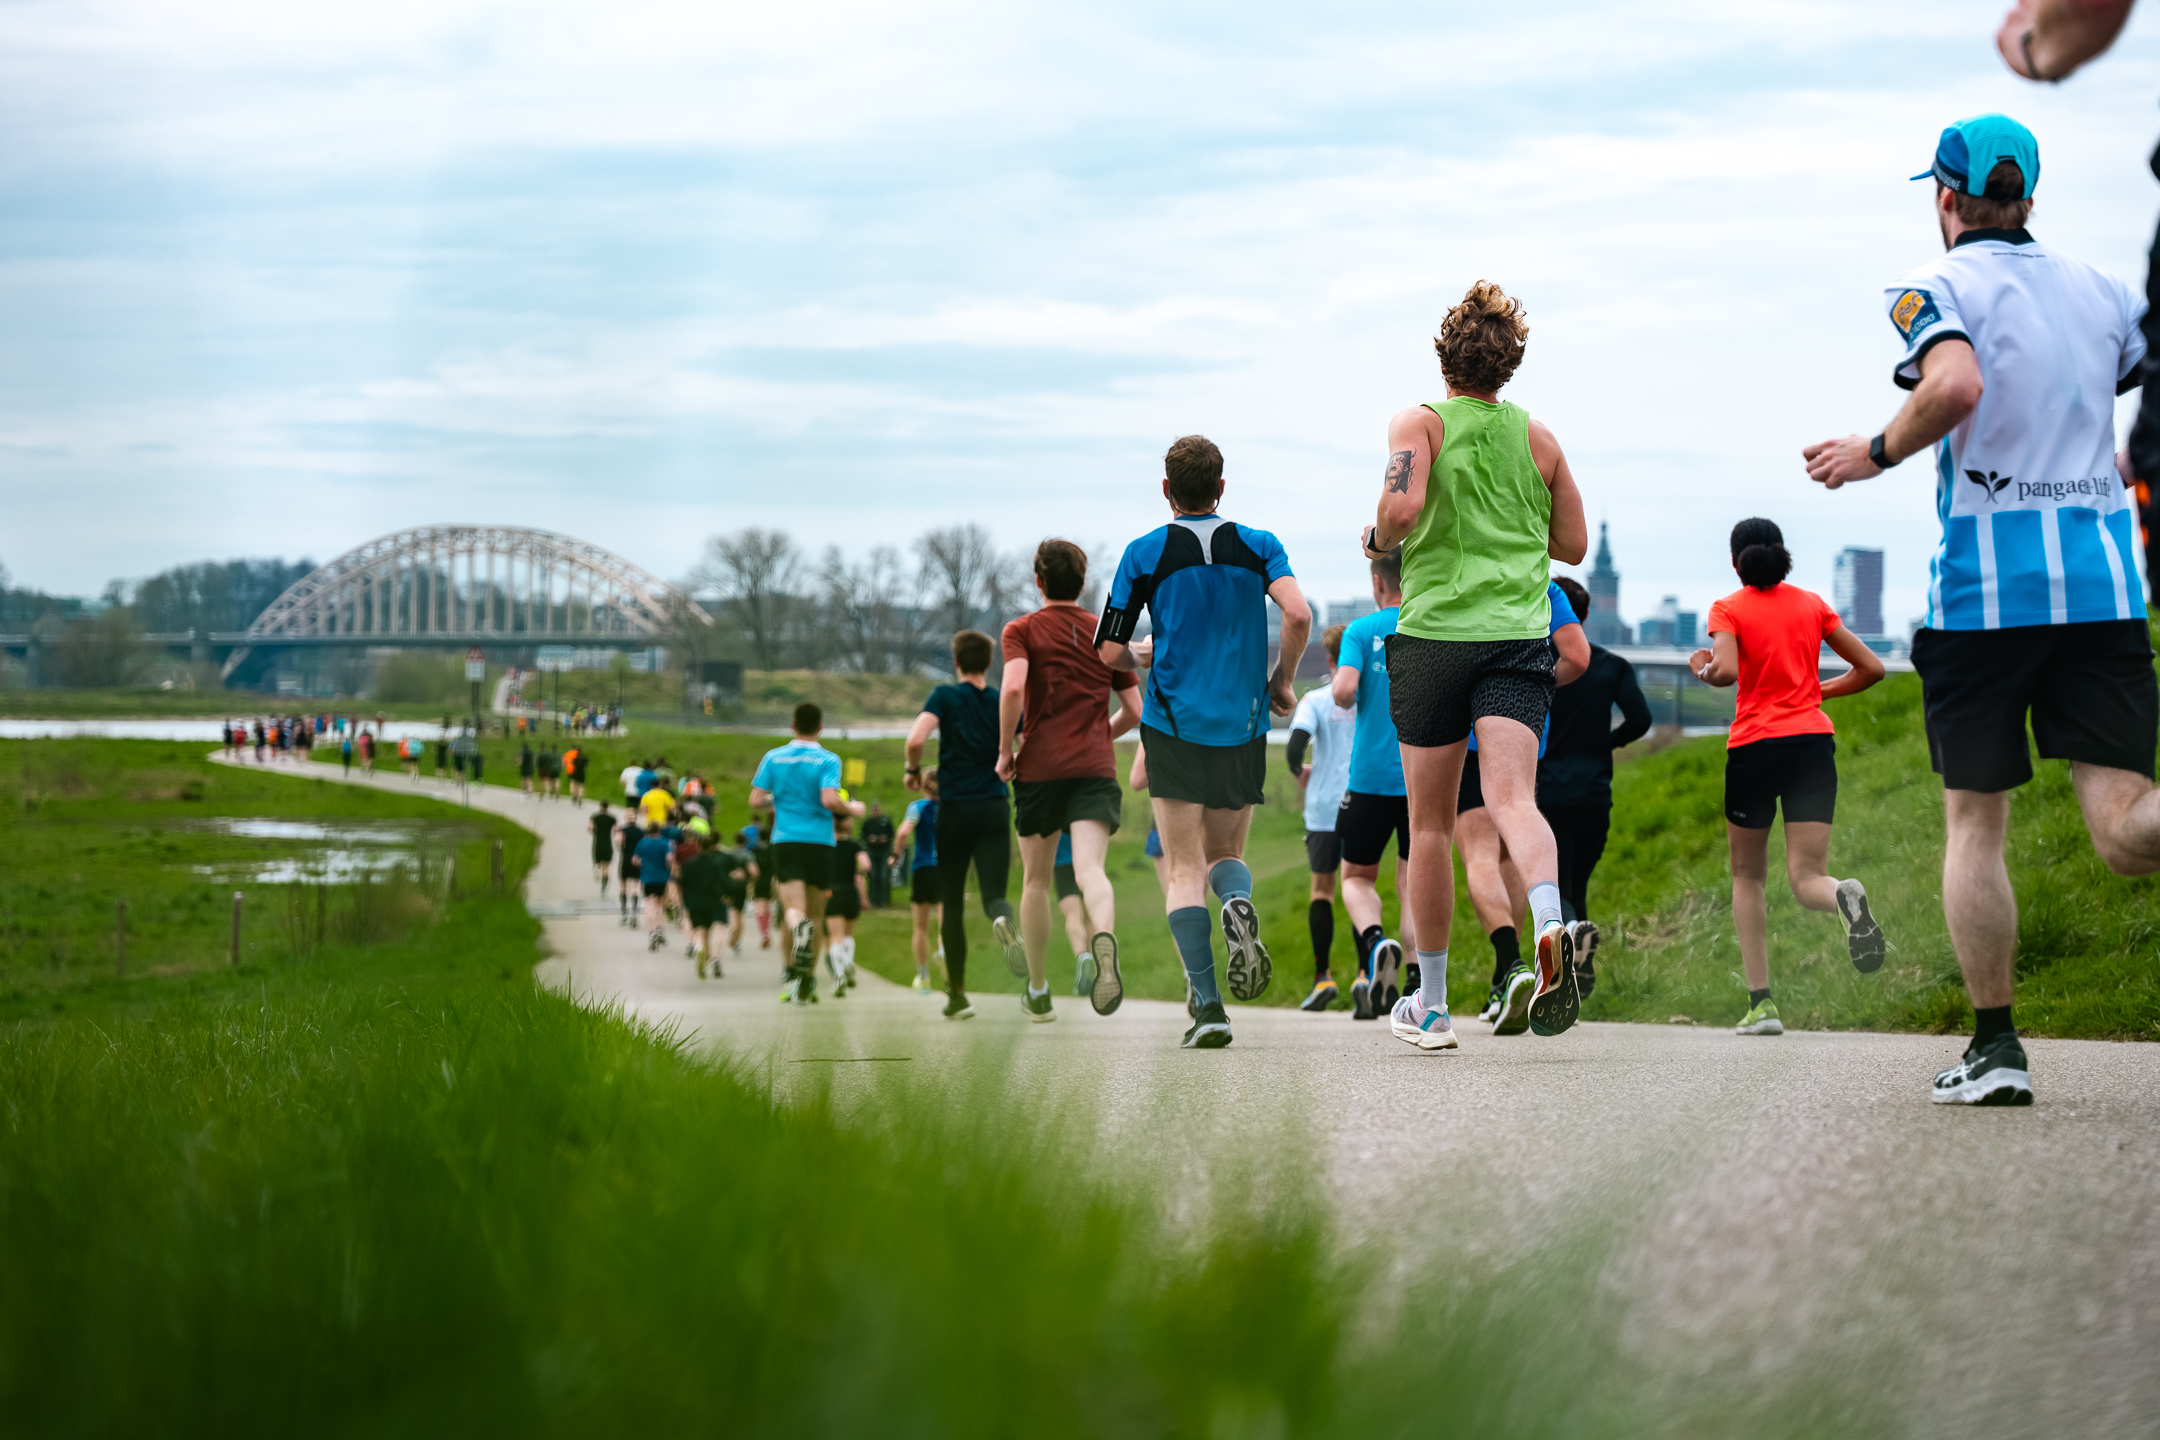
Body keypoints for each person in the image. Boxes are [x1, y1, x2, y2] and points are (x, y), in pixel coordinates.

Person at [1803, 113, 2160, 1104]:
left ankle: (1996, 1049)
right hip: (2104, 589)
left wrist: (1871, 451)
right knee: (2127, 829)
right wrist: (2132, 466)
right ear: (2032, 199)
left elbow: (1954, 381)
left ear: (1948, 198)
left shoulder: (1933, 284)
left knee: (1976, 822)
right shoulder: (2107, 295)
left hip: (1985, 600)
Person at [1364, 280, 1589, 1054]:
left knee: (1428, 826)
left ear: (1444, 355)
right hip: (1519, 637)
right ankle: (1552, 921)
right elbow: (1573, 546)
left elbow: (1398, 513)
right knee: (1512, 801)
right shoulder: (1540, 440)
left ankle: (1429, 1007)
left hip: (1433, 639)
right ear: (1511, 363)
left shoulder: (1418, 422)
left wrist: (1377, 542)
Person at [1096, 433, 1311, 1049]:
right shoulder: (1260, 545)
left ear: (1167, 490)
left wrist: (1143, 653)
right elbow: (1297, 614)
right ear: (1222, 488)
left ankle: (1209, 1007)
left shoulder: (1143, 553)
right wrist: (1281, 682)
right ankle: (1237, 904)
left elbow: (1109, 650)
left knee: (1184, 868)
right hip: (1242, 726)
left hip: (1172, 727)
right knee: (1224, 859)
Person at [1688, 520, 1890, 1035]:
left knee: (1748, 877)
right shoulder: (1812, 604)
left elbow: (1727, 671)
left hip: (1755, 747)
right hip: (1811, 746)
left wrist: (1703, 668)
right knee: (1807, 878)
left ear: (1737, 561)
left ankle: (1762, 1005)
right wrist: (1817, 693)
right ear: (1781, 553)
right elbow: (1871, 668)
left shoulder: (1728, 609)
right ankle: (1843, 891)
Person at [999, 537, 1144, 1022]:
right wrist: (1098, 734)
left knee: (1037, 882)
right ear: (1082, 584)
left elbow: (1015, 687)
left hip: (1039, 770)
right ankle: (1103, 938)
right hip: (1093, 768)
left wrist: (1006, 751)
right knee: (1091, 872)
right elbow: (1135, 711)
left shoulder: (1021, 630)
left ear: (1038, 581)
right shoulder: (1106, 634)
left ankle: (1039, 990)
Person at [1457, 578, 1589, 1030]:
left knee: (1479, 855)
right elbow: (1577, 655)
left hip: (1465, 735)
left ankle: (1510, 963)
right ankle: (1544, 931)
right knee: (1517, 828)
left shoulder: (1453, 574)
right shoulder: (1542, 583)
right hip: (1522, 723)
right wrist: (1534, 683)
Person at [1535, 577, 1653, 995]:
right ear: (1584, 615)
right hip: (1594, 793)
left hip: (1546, 792)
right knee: (1577, 881)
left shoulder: (1536, 666)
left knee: (1558, 883)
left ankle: (1569, 937)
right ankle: (1579, 973)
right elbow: (1640, 719)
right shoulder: (1612, 665)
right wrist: (1608, 742)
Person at [906, 630, 1023, 1021]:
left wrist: (912, 771)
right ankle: (1004, 920)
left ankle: (957, 995)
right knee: (993, 894)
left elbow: (916, 739)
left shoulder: (944, 697)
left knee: (952, 904)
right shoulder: (1000, 702)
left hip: (954, 810)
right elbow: (1026, 743)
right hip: (993, 806)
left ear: (956, 661)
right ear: (989, 663)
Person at [1330, 547, 1419, 1025]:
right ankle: (1414, 980)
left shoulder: (1361, 632)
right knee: (1411, 883)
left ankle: (1373, 942)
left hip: (1368, 779)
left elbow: (1344, 690)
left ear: (1377, 582)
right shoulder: (1429, 626)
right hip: (1419, 779)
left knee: (1358, 879)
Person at [750, 702, 865, 1004]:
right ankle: (807, 982)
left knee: (793, 909)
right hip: (820, 842)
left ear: (792, 725)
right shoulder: (828, 759)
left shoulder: (773, 757)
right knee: (816, 914)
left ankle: (791, 970)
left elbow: (755, 800)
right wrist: (853, 808)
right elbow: (829, 799)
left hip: (786, 839)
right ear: (820, 727)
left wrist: (780, 799)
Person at [1286, 623, 1356, 1012]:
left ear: (1329, 660)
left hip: (1324, 808)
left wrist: (1303, 774)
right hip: (1363, 804)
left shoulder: (1314, 699)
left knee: (1322, 891)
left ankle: (1323, 976)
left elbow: (1294, 749)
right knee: (1360, 887)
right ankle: (1366, 974)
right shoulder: (1372, 697)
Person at [896, 774, 943, 993]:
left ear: (923, 785)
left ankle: (923, 976)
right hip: (945, 867)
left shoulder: (917, 807)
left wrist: (897, 854)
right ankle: (944, 955)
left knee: (921, 926)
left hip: (923, 867)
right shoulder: (950, 807)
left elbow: (903, 832)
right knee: (946, 922)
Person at [677, 824, 732, 979]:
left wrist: (685, 902)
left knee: (700, 931)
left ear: (698, 846)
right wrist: (725, 895)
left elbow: (683, 883)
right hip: (711, 901)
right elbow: (721, 882)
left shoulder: (690, 863)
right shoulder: (715, 864)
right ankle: (712, 959)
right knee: (712, 930)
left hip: (694, 901)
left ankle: (699, 948)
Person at [822, 812, 869, 995]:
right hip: (850, 892)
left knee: (835, 937)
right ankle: (848, 962)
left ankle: (840, 974)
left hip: (832, 892)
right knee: (848, 936)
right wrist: (858, 874)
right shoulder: (854, 846)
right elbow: (865, 865)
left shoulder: (826, 845)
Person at [634, 818, 676, 950]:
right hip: (662, 878)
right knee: (660, 905)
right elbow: (669, 859)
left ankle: (652, 932)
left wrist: (644, 865)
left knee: (649, 904)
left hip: (647, 878)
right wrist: (669, 868)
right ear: (659, 830)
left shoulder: (642, 842)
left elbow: (635, 860)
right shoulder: (665, 843)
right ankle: (659, 929)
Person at [742, 822, 776, 951]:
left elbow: (751, 865)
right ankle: (768, 931)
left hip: (758, 879)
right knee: (768, 907)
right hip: (770, 879)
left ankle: (763, 933)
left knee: (759, 907)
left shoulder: (755, 849)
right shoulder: (773, 848)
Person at [861, 801, 895, 908]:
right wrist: (870, 838)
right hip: (872, 851)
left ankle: (883, 900)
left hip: (884, 850)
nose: (875, 812)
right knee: (873, 875)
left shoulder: (885, 821)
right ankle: (872, 899)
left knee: (883, 875)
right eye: (874, 810)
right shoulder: (868, 822)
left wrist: (885, 838)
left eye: (877, 810)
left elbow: (892, 833)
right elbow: (862, 835)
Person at [616, 813, 645, 925]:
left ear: (626, 819)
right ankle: (634, 912)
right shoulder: (641, 831)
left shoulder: (622, 830)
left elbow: (618, 842)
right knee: (635, 887)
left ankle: (623, 914)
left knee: (623, 887)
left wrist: (621, 847)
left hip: (625, 859)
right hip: (637, 860)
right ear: (636, 819)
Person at [590, 800, 616, 895]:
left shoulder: (594, 817)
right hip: (607, 844)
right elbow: (615, 831)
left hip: (598, 843)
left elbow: (590, 828)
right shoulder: (612, 818)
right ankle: (604, 888)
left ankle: (596, 869)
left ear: (600, 806)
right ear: (608, 807)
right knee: (606, 868)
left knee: (596, 862)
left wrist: (595, 831)